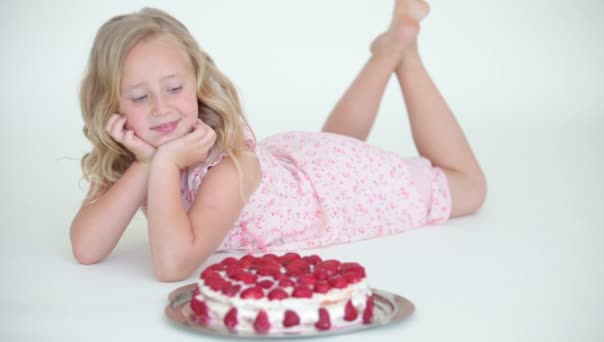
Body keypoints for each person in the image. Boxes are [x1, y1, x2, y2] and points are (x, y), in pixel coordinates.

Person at [70, 0, 487, 282]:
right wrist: (144, 163)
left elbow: (173, 264)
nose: (162, 108)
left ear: (196, 83)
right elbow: (87, 248)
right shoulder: (134, 152)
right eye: (141, 97)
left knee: (469, 187)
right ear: (113, 104)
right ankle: (385, 53)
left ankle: (404, 55)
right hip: (305, 169)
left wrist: (160, 166)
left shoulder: (228, 163)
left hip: (336, 191)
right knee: (339, 144)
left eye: (174, 88)